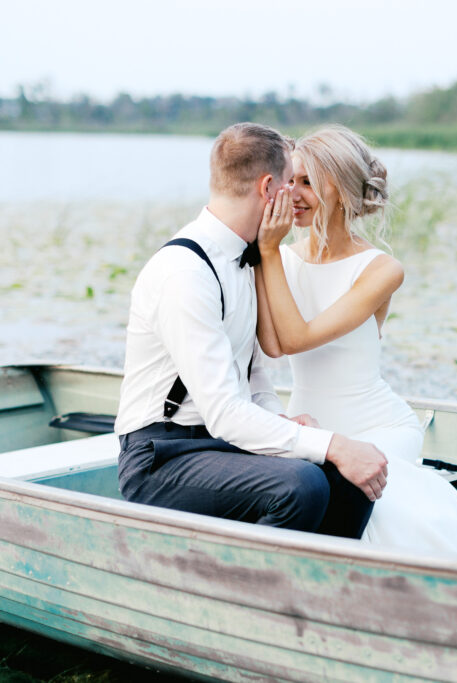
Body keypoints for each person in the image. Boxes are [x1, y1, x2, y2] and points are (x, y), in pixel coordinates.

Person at [115, 122, 388, 539]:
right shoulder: (184, 272)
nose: (295, 197)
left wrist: (282, 421)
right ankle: (249, 591)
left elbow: (253, 374)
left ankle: (318, 592)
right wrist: (333, 444)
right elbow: (225, 412)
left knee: (350, 481)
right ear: (267, 188)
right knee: (300, 485)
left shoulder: (248, 258)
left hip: (222, 445)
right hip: (163, 456)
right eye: (288, 183)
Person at [255, 124, 457, 557]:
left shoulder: (380, 269)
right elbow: (271, 346)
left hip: (378, 426)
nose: (292, 192)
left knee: (364, 496)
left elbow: (295, 339)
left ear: (343, 190)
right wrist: (271, 256)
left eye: (307, 182)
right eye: (289, 179)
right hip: (309, 423)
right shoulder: (280, 260)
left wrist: (269, 251)